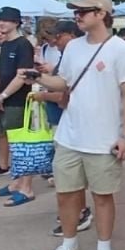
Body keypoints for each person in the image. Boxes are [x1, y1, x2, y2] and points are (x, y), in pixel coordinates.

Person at [32, 0, 125, 250]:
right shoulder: (74, 47)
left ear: (101, 13)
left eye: (83, 11)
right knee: (66, 194)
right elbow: (63, 82)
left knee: (102, 197)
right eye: (75, 12)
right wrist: (39, 78)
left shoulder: (121, 49)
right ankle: (69, 243)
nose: (76, 16)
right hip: (69, 135)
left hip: (104, 139)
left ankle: (104, 249)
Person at [29, 20, 94, 238]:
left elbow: (64, 96)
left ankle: (80, 212)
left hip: (69, 121)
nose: (54, 42)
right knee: (68, 175)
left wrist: (43, 94)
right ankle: (76, 212)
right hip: (63, 121)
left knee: (71, 175)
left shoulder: (76, 58)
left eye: (58, 37)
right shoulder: (67, 58)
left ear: (71, 35)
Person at [0, 7, 36, 190]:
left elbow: (21, 76)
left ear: (16, 23)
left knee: (20, 144)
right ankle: (16, 180)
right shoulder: (5, 44)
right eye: (0, 21)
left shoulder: (23, 44)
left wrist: (3, 95)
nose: (2, 24)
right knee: (11, 142)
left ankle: (25, 185)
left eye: (6, 20)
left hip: (17, 101)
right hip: (2, 100)